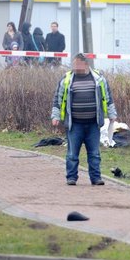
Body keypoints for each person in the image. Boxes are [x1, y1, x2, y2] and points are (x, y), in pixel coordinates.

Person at [51, 53, 117, 186]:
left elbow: (108, 97)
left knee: (94, 154)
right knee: (72, 154)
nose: (75, 67)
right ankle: (71, 177)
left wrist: (112, 114)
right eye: (74, 64)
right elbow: (57, 99)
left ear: (86, 64)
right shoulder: (67, 79)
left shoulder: (99, 79)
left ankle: (96, 178)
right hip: (74, 124)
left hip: (93, 123)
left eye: (78, 64)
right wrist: (55, 116)